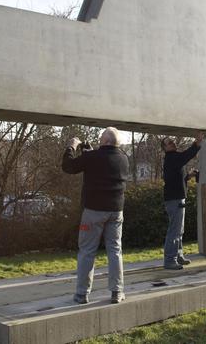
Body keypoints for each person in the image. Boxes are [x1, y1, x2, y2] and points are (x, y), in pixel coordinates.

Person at [62, 127, 130, 304]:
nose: (99, 140)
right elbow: (104, 163)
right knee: (115, 251)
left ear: (106, 141)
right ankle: (117, 292)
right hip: (116, 211)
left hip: (93, 211)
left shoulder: (92, 158)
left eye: (101, 138)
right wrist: (90, 154)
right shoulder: (124, 158)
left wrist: (72, 147)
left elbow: (68, 166)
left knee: (87, 251)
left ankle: (82, 294)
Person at [161, 132, 203, 270]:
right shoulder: (172, 158)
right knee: (175, 230)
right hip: (174, 200)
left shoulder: (172, 160)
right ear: (165, 148)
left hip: (176, 198)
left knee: (179, 230)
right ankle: (170, 260)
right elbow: (186, 155)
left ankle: (178, 256)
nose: (173, 143)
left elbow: (176, 179)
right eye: (169, 142)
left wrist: (188, 176)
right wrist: (196, 143)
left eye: (172, 141)